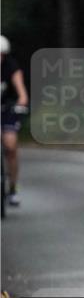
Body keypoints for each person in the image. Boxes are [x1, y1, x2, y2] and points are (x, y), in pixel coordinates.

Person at [1, 35, 29, 207]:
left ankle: (12, 187)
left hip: (7, 109)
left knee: (11, 146)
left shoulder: (11, 67)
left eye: (2, 54)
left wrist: (21, 101)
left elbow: (21, 92)